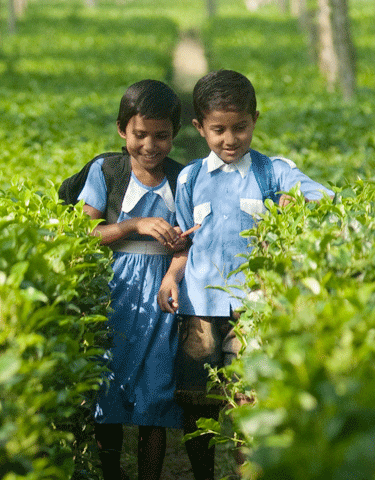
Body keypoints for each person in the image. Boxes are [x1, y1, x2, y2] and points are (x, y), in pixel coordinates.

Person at [156, 69, 333, 480]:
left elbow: (326, 199)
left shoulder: (274, 172)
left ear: (255, 119)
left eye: (240, 128)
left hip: (254, 309)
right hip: (200, 307)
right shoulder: (190, 178)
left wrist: (298, 204)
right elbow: (185, 240)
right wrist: (171, 277)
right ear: (200, 128)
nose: (230, 139)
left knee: (249, 402)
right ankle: (202, 474)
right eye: (218, 130)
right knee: (195, 402)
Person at [80, 79, 187, 480]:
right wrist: (134, 225)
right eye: (140, 134)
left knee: (155, 395)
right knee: (107, 391)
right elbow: (85, 232)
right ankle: (110, 471)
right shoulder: (106, 172)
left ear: (175, 134)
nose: (150, 145)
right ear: (122, 130)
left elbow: (187, 242)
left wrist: (174, 268)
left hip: (161, 294)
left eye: (161, 136)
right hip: (114, 291)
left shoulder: (182, 179)